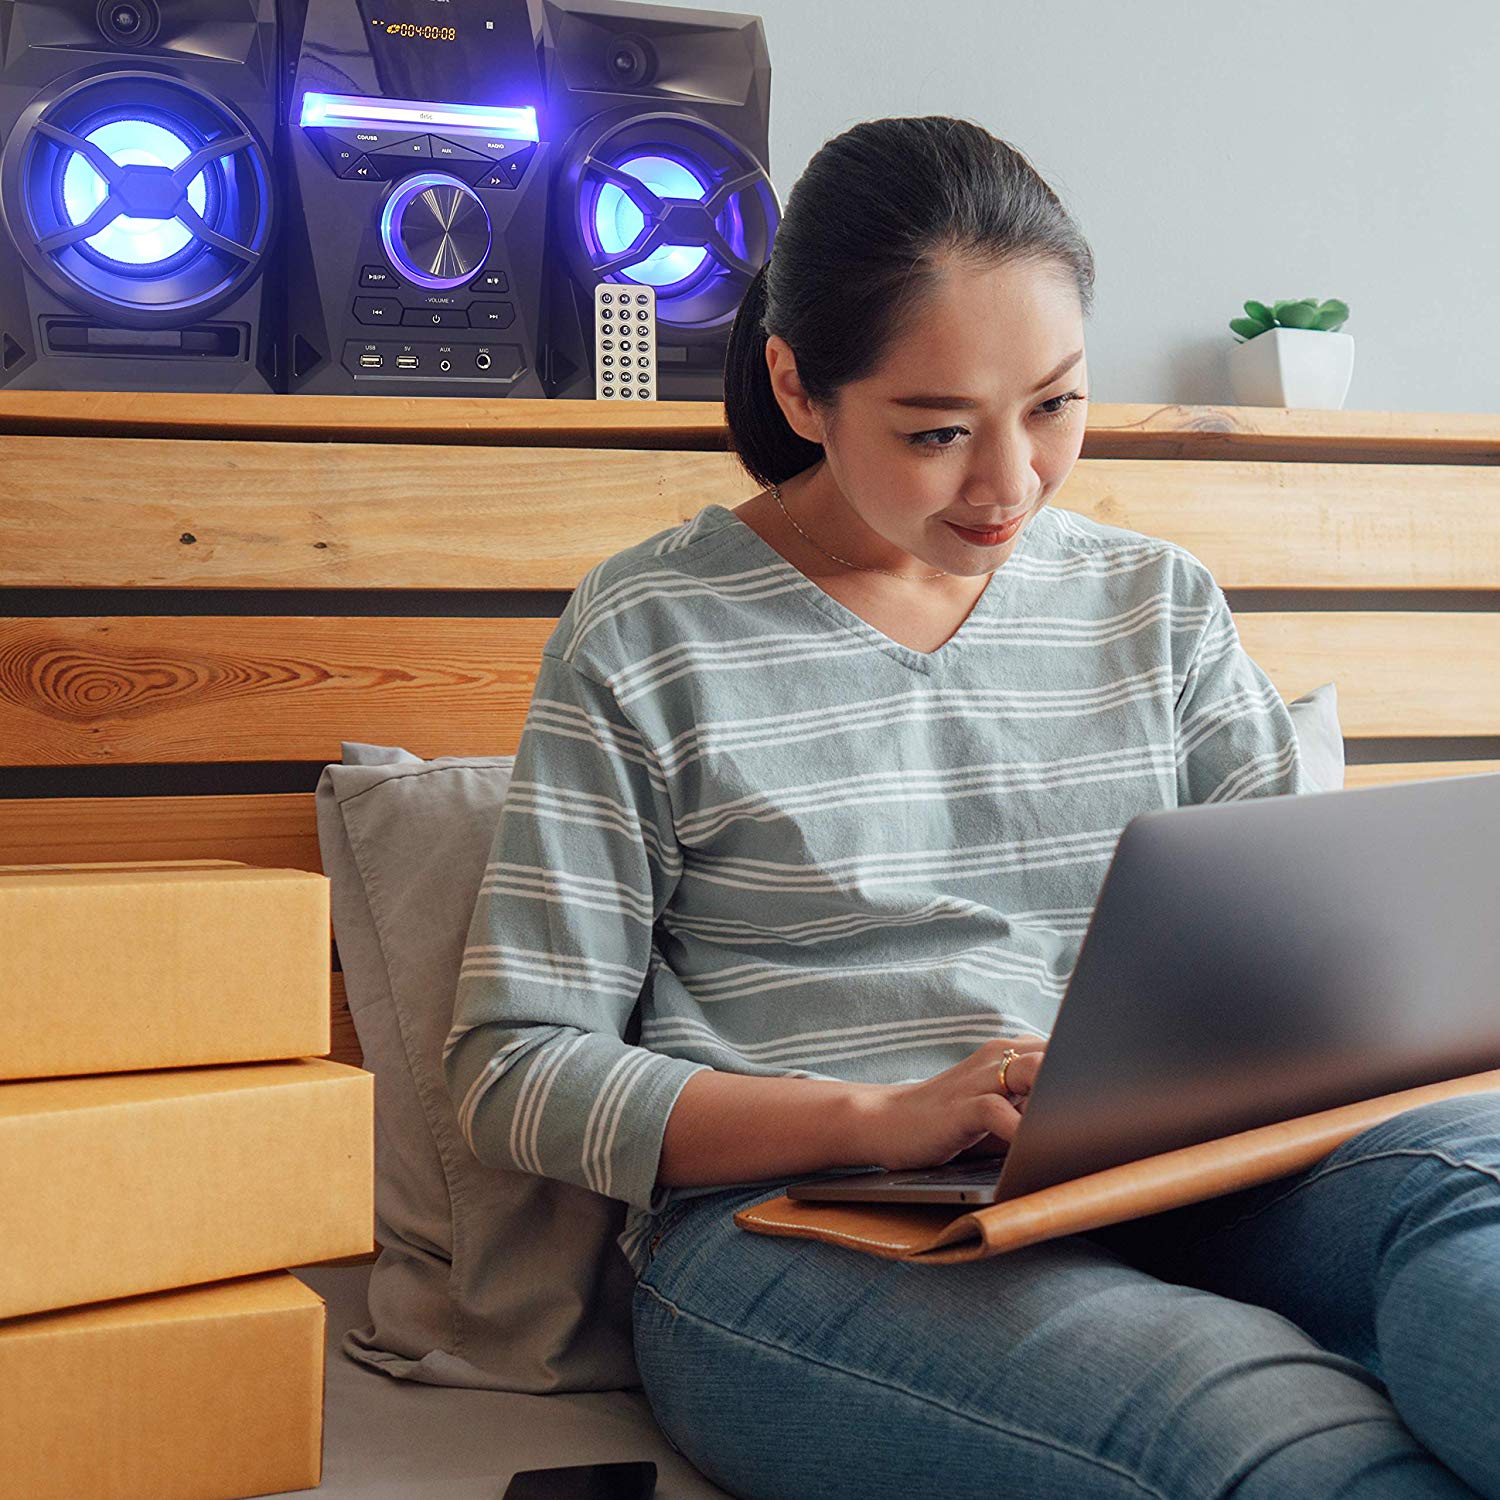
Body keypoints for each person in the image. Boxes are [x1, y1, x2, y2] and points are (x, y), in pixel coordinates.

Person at [443, 116, 1500, 1499]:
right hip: (807, 1229)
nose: (1010, 486)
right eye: (937, 430)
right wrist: (874, 1119)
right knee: (1272, 1441)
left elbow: (1324, 952)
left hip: (1198, 1170)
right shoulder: (648, 630)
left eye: (1054, 405)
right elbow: (514, 1068)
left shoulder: (1157, 603)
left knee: (1476, 1228)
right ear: (799, 387)